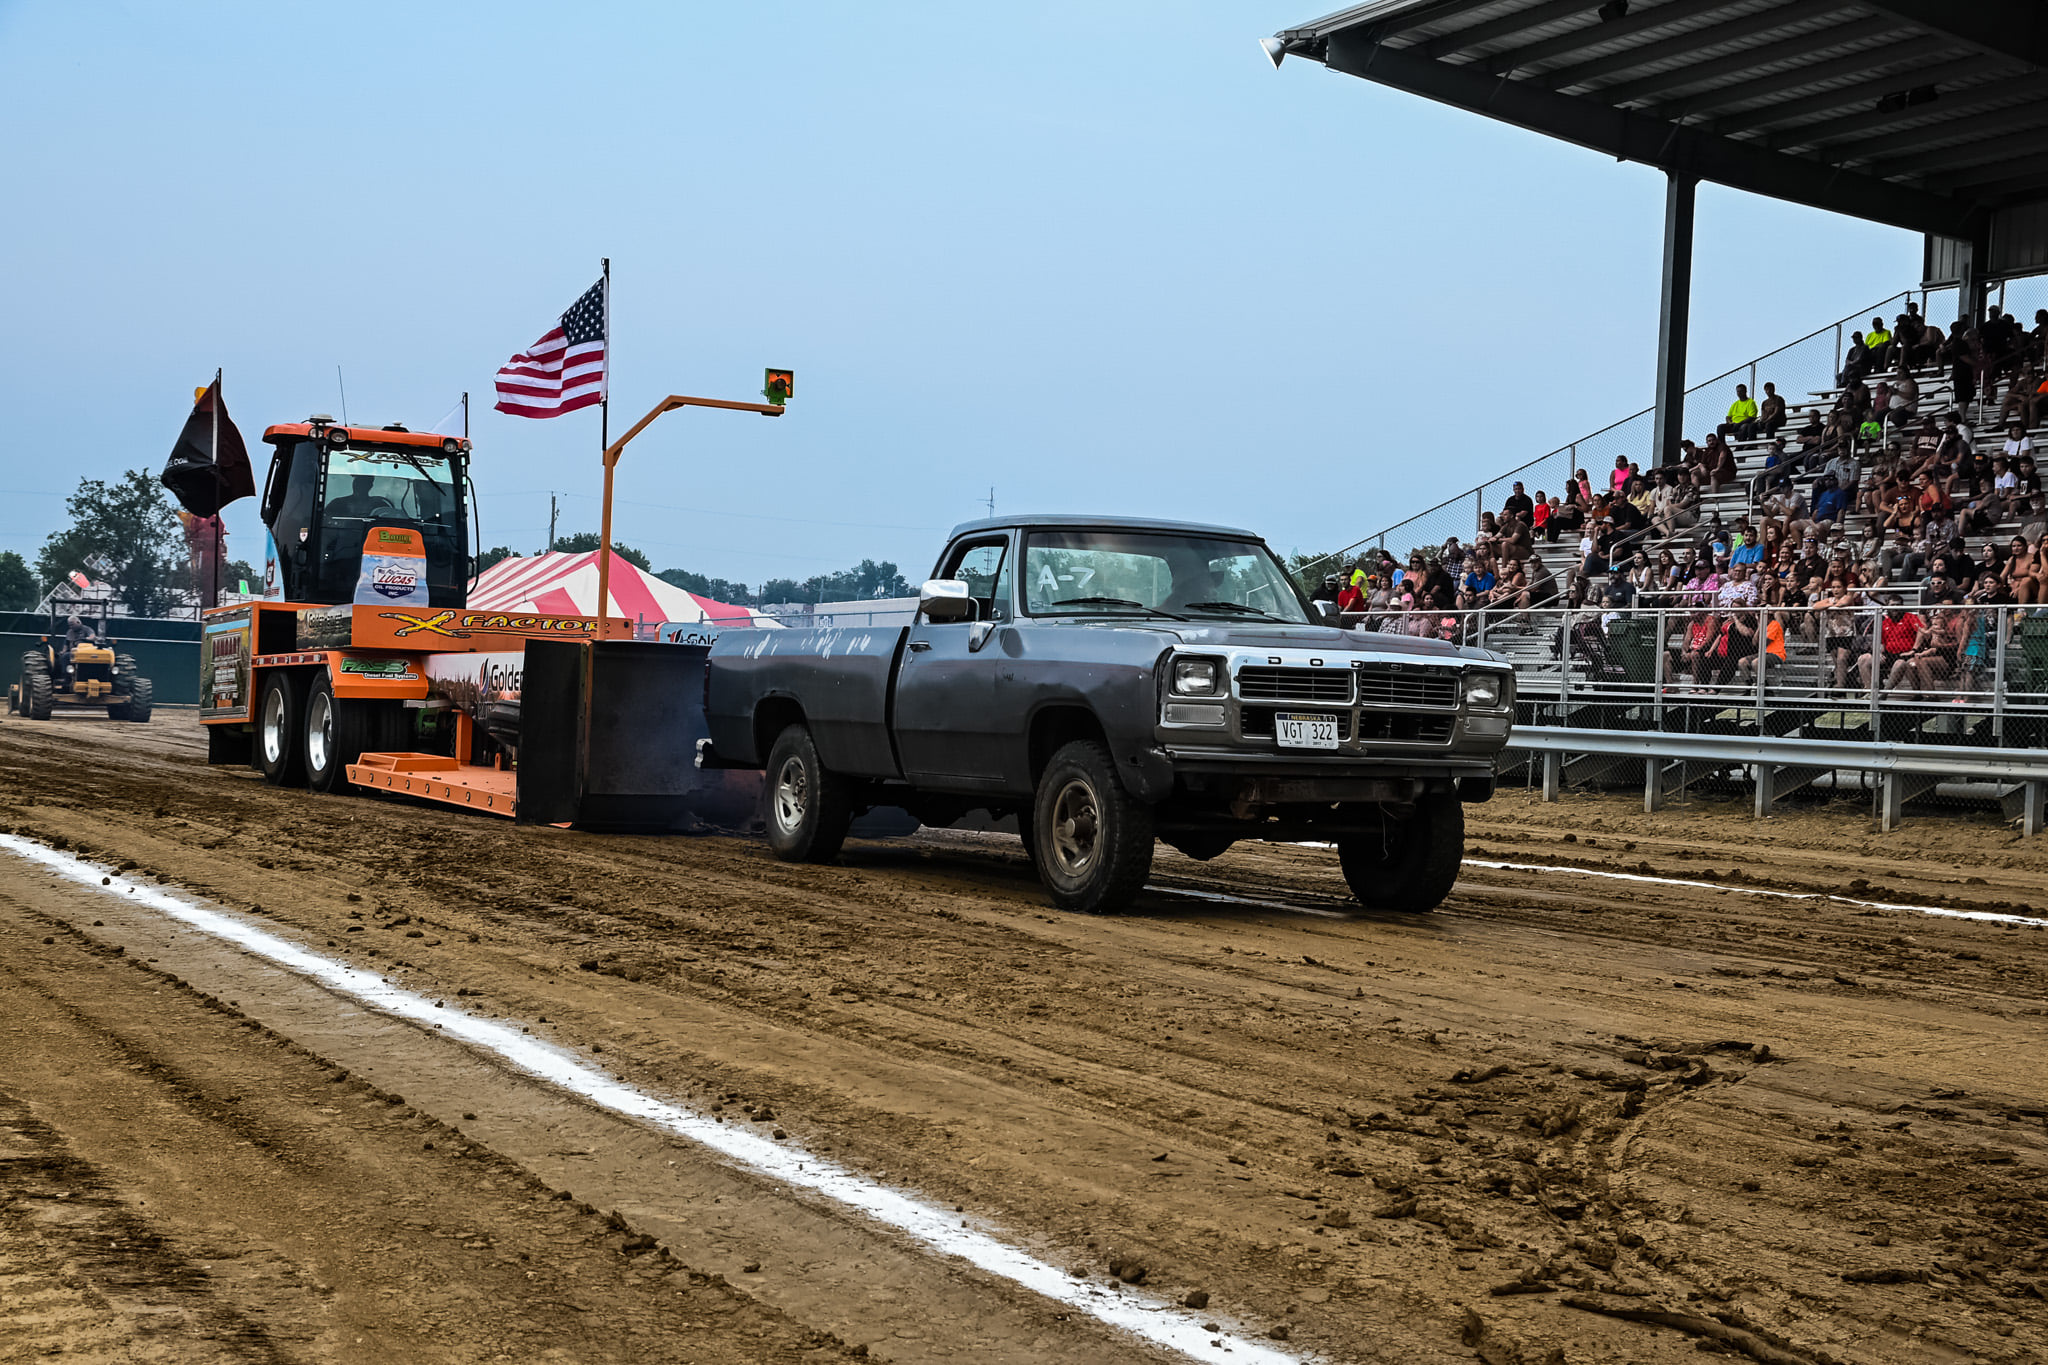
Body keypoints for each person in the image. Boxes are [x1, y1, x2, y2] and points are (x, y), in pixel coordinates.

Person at [1857, 596, 1924, 694]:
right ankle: (1869, 692)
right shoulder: (1885, 622)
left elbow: (1921, 631)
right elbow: (1882, 642)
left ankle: (1884, 693)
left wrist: (1914, 649)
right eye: (1892, 605)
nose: (1895, 608)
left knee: (1899, 663)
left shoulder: (1910, 617)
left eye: (1898, 605)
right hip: (1889, 654)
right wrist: (1879, 653)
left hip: (1905, 654)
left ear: (1902, 606)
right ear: (1887, 606)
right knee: (1863, 658)